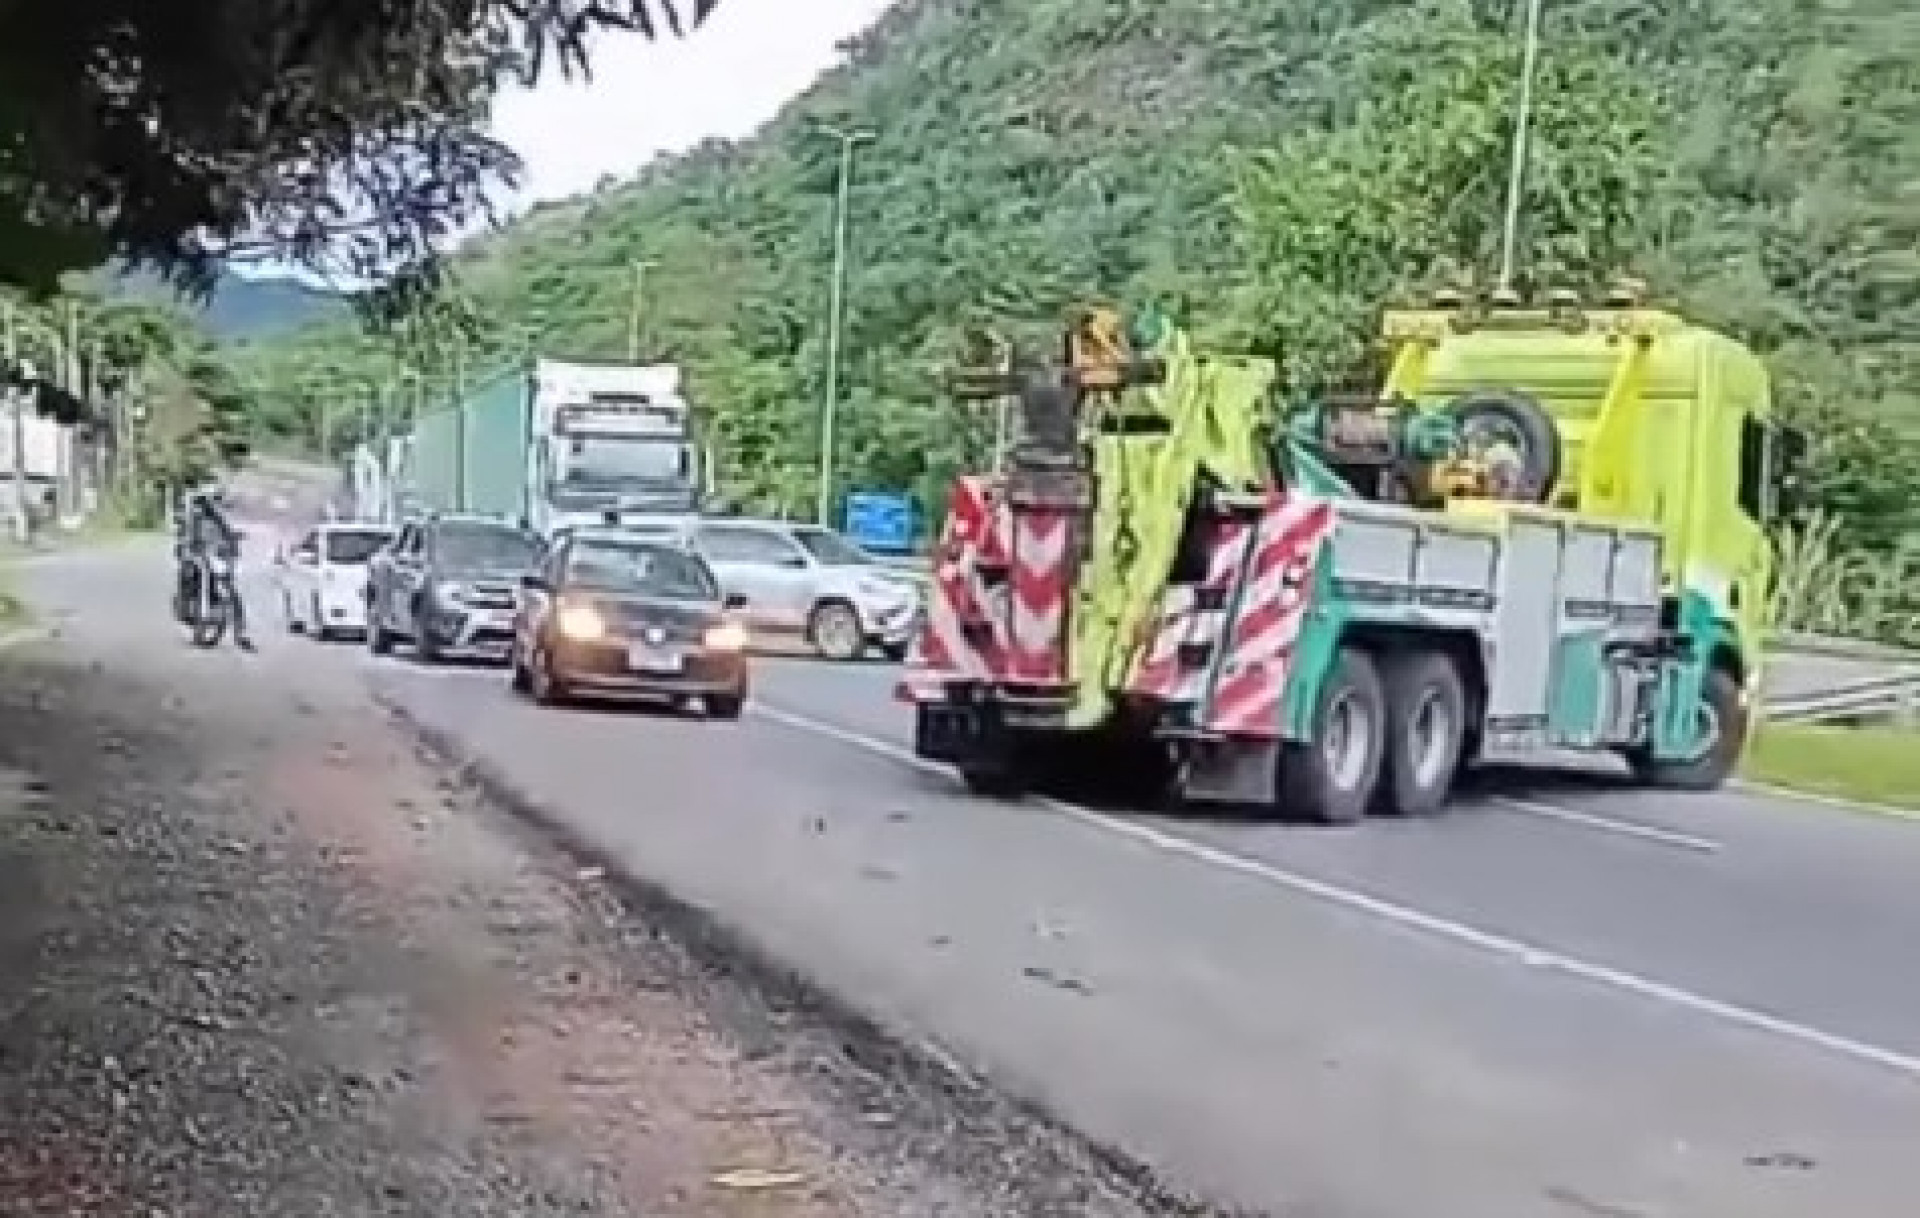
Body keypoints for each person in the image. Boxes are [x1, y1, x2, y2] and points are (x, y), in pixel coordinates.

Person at [174, 484, 254, 650]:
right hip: (198, 557)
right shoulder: (193, 516)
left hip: (216, 558)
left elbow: (232, 540)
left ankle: (240, 633)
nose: (213, 504)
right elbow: (183, 535)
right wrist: (185, 546)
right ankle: (188, 609)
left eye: (217, 500)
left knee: (231, 590)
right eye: (211, 500)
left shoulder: (222, 520)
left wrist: (234, 545)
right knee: (188, 577)